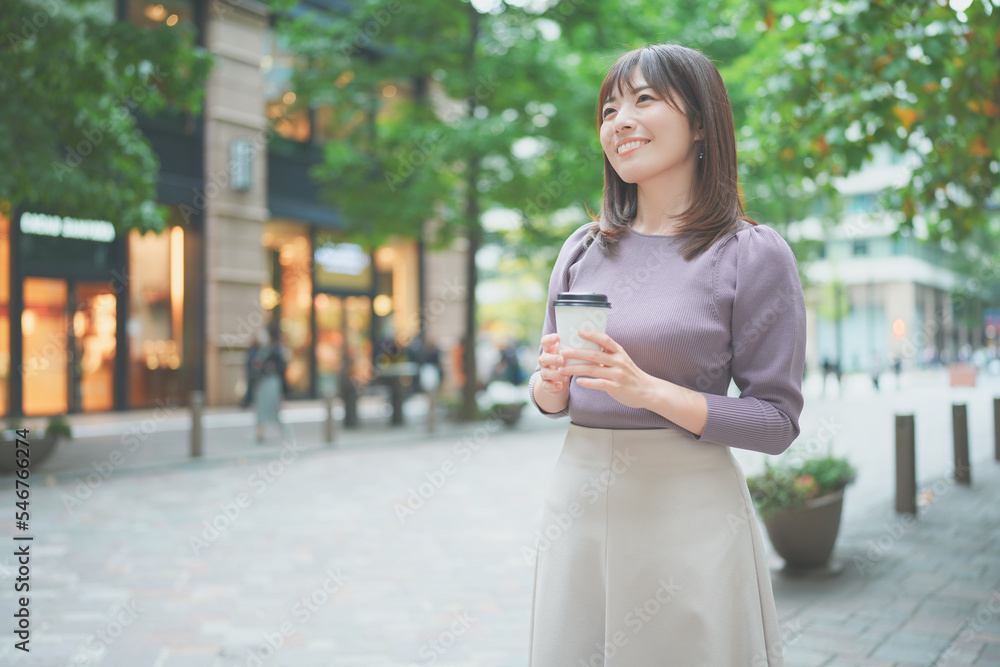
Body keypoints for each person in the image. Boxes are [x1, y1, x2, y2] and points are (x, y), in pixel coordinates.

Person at [527, 44, 805, 666]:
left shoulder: (750, 253)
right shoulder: (581, 248)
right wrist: (548, 386)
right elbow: (551, 393)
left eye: (644, 100)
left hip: (687, 508)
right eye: (608, 109)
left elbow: (777, 423)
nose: (620, 120)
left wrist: (645, 389)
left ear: (702, 120)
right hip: (577, 499)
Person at [253, 322, 289, 442]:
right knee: (264, 406)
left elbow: (282, 366)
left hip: (271, 381)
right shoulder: (265, 348)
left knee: (272, 406)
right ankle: (261, 431)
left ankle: (275, 431)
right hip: (265, 381)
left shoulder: (276, 349)